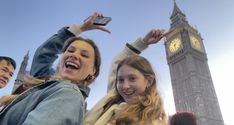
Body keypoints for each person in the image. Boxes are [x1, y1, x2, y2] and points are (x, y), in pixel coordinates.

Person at [0, 12, 110, 125]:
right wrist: (81, 28)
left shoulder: (69, 94)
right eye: (70, 50)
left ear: (93, 70)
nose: (74, 55)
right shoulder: (47, 83)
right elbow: (43, 53)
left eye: (84, 55)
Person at [84, 29, 169, 125]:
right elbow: (117, 62)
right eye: (120, 80)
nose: (125, 86)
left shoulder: (150, 119)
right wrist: (143, 42)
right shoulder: (114, 96)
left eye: (132, 78)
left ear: (149, 81)